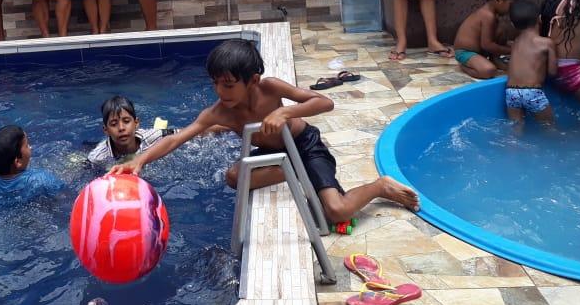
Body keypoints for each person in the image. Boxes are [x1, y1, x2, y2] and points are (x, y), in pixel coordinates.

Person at [110, 39, 419, 224]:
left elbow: (324, 102)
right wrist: (139, 161)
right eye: (215, 83)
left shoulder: (270, 88)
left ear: (253, 80)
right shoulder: (220, 111)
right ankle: (295, 174)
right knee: (233, 177)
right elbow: (178, 137)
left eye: (228, 85)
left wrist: (285, 111)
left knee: (336, 212)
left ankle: (380, 187)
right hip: (273, 154)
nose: (221, 91)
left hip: (304, 145)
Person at [0, 125, 64, 203]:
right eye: (27, 145)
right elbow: (65, 200)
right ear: (18, 161)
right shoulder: (40, 179)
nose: (30, 147)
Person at [452, 0, 521, 79]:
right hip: (465, 52)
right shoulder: (487, 16)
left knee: (502, 29)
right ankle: (463, 67)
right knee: (488, 71)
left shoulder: (493, 15)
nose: (512, 9)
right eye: (511, 4)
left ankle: (494, 59)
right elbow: (487, 45)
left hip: (480, 51)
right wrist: (511, 50)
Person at [504, 0, 556, 124]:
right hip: (532, 92)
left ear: (513, 24)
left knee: (515, 132)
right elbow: (553, 72)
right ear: (540, 19)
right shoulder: (547, 43)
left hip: (511, 92)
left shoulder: (515, 43)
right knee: (550, 128)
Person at [86, 95, 173, 169]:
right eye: (114, 124)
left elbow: (179, 135)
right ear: (106, 130)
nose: (121, 128)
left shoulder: (150, 137)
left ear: (136, 123)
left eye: (126, 121)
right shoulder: (97, 157)